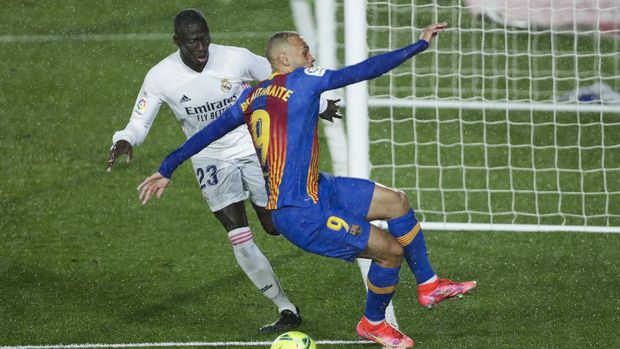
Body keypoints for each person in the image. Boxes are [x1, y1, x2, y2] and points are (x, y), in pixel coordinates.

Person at [137, 22, 476, 348]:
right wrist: (420, 44)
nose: (311, 57)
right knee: (390, 251)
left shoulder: (250, 96)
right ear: (285, 58)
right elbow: (362, 70)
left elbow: (206, 134)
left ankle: (429, 285)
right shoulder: (302, 81)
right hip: (299, 213)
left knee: (397, 203)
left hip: (318, 187)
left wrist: (167, 167)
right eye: (305, 50)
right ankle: (372, 323)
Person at [105, 8, 340, 333]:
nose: (201, 48)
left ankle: (340, 222)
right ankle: (286, 309)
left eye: (204, 39)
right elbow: (138, 121)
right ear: (177, 41)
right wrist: (124, 140)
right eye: (192, 42)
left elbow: (280, 78)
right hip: (208, 158)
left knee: (274, 225)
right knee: (238, 234)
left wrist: (319, 103)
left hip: (252, 147)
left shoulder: (236, 59)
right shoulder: (160, 77)